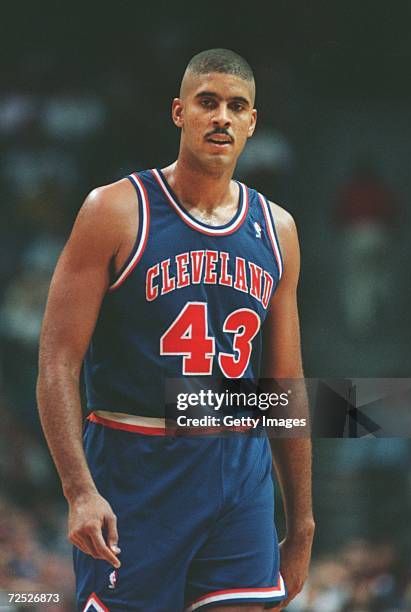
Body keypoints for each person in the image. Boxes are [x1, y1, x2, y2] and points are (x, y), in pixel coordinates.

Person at [37, 48, 314, 612]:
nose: (222, 118)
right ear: (179, 112)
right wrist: (78, 490)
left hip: (240, 472)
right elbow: (56, 364)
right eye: (207, 102)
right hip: (137, 471)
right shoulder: (114, 210)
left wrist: (302, 524)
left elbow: (283, 384)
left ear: (252, 122)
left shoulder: (277, 228)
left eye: (237, 107)